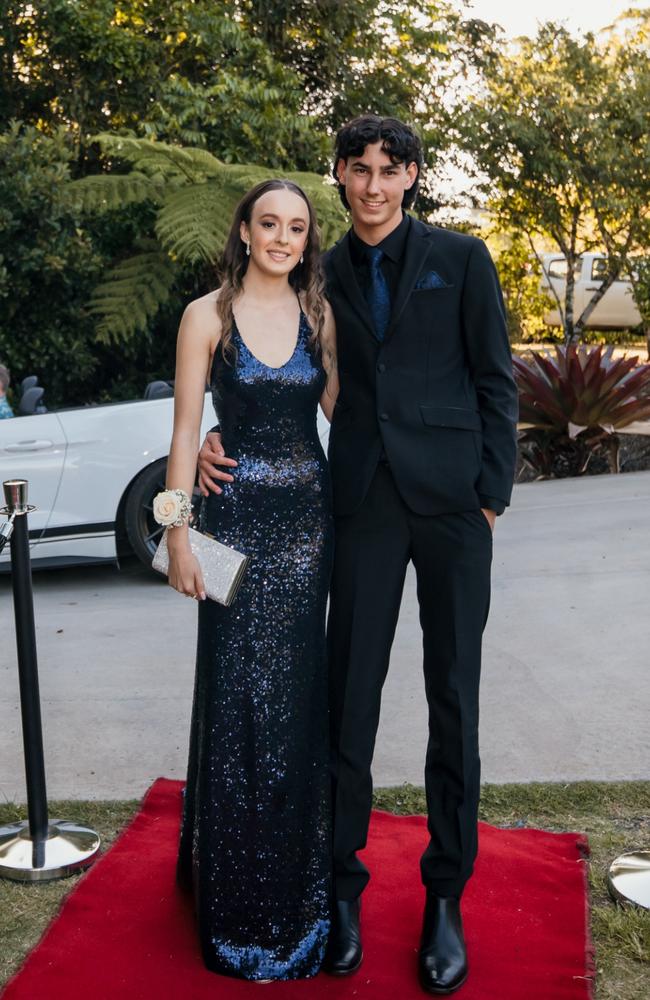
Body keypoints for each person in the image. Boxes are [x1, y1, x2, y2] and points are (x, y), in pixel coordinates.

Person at [198, 114, 518, 996]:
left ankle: (444, 896)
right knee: (350, 701)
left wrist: (491, 496)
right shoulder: (315, 272)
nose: (374, 186)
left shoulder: (465, 257)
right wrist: (214, 435)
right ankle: (339, 891)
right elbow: (267, 358)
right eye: (360, 170)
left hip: (455, 508)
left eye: (391, 170)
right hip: (362, 505)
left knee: (454, 698)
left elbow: (497, 381)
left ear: (412, 177)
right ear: (338, 174)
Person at [158, 178, 338, 981]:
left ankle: (295, 895)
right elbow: (185, 431)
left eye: (295, 228)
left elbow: (345, 409)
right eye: (268, 223)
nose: (281, 238)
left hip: (307, 532)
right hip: (231, 529)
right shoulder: (207, 316)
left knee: (295, 702)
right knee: (234, 699)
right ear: (242, 229)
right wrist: (177, 534)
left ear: (306, 240)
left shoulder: (320, 316)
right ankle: (232, 895)